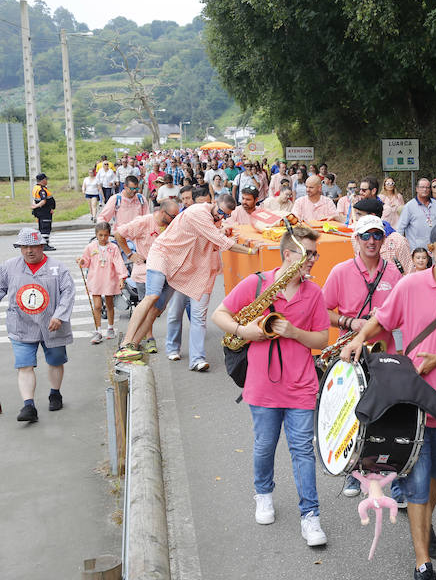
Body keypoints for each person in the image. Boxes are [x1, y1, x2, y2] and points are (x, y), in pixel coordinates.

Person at [341, 221, 436, 580]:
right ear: (431, 250)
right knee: (418, 480)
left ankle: (424, 523)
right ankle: (422, 560)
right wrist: (360, 337)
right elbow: (382, 320)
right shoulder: (410, 285)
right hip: (412, 405)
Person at [211, 227, 329, 546]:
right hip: (262, 384)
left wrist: (294, 332)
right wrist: (242, 330)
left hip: (302, 384)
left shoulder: (314, 293)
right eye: (309, 253)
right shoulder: (258, 284)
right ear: (289, 255)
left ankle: (311, 516)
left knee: (303, 450)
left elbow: (322, 339)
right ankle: (263, 493)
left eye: (315, 253)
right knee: (265, 444)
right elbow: (219, 314)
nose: (314, 259)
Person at [114, 194, 257, 362]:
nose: (221, 216)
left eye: (226, 215)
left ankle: (133, 346)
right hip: (162, 256)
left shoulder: (213, 218)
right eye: (220, 212)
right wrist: (249, 251)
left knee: (157, 310)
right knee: (151, 297)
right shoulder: (199, 213)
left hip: (178, 268)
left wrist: (225, 231)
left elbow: (217, 238)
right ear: (213, 203)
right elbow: (219, 240)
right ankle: (126, 344)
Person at [323, 215, 404, 499]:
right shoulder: (340, 271)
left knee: (383, 417)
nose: (372, 241)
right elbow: (323, 312)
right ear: (356, 239)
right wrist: (350, 322)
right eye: (366, 236)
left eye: (377, 236)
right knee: (352, 415)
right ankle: (352, 472)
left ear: (383, 240)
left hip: (384, 354)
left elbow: (404, 312)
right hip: (349, 354)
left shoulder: (394, 273)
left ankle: (382, 473)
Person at [0, 229, 75, 423]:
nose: (29, 251)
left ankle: (55, 393)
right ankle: (28, 406)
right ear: (19, 248)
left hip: (52, 324)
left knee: (56, 360)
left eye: (33, 246)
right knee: (24, 365)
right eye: (24, 247)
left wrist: (59, 316)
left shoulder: (58, 268)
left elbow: (68, 293)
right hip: (21, 324)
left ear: (41, 246)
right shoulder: (9, 267)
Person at [114, 200, 182, 355]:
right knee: (147, 305)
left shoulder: (171, 224)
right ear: (162, 212)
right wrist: (130, 254)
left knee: (156, 310)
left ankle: (135, 343)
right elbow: (119, 234)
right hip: (145, 270)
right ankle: (137, 340)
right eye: (172, 216)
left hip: (166, 271)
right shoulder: (144, 222)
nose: (174, 219)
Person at [78, 222, 128, 344]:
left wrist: (121, 277)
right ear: (96, 235)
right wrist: (81, 261)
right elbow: (86, 261)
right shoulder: (90, 247)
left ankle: (110, 328)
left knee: (110, 304)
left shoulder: (113, 248)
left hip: (109, 279)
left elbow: (118, 262)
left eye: (105, 235)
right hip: (95, 280)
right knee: (97, 306)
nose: (103, 238)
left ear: (109, 235)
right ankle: (98, 330)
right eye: (100, 235)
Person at [353, 198, 414, 275]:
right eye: (365, 236)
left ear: (372, 216)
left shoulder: (398, 241)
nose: (356, 218)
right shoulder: (355, 238)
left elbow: (409, 273)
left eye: (359, 214)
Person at [396, 178, 436, 251]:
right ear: (417, 189)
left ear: (430, 189)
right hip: (417, 252)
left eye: (427, 187)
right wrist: (401, 248)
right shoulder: (409, 206)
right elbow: (400, 229)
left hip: (435, 250)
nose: (425, 189)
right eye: (422, 187)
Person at [31, 173, 56, 252]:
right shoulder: (42, 190)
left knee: (42, 228)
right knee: (45, 228)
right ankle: (45, 245)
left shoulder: (35, 188)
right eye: (46, 179)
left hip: (40, 212)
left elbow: (34, 199)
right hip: (44, 212)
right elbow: (43, 201)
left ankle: (44, 244)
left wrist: (34, 205)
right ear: (43, 180)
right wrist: (36, 206)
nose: (47, 181)